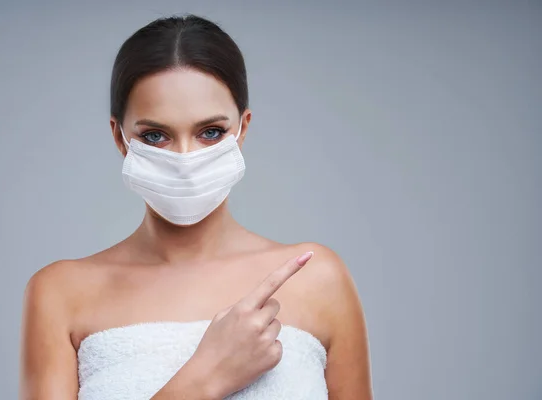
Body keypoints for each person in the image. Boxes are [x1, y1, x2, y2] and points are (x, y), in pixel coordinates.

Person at [19, 14, 372, 400]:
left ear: (242, 129)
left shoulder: (315, 279)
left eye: (210, 132)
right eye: (155, 135)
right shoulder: (61, 294)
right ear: (120, 139)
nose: (186, 158)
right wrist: (204, 379)